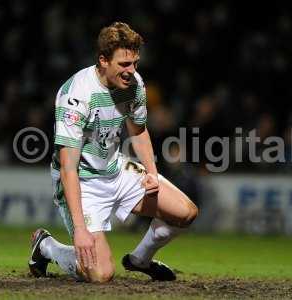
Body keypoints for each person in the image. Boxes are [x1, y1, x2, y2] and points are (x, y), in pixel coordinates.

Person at [28, 22, 198, 283]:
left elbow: (138, 131)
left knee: (186, 212)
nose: (131, 71)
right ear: (103, 60)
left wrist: (152, 172)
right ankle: (47, 247)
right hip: (83, 183)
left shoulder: (134, 85)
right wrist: (81, 229)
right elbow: (68, 168)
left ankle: (140, 259)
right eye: (124, 64)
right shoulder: (77, 96)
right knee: (100, 274)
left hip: (115, 169)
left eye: (135, 63)